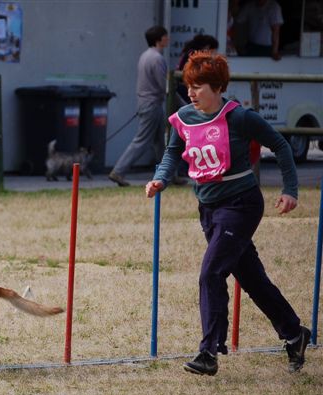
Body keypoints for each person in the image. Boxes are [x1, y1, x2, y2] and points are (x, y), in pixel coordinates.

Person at [145, 52, 310, 376]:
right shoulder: (184, 118)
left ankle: (209, 351)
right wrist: (160, 179)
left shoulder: (239, 117)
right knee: (251, 279)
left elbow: (280, 145)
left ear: (218, 87)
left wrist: (290, 189)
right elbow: (173, 152)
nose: (191, 93)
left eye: (199, 86)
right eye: (189, 86)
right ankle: (294, 333)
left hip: (241, 205)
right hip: (208, 207)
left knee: (211, 272)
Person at [109, 26, 185, 187]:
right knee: (142, 140)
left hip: (147, 103)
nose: (168, 38)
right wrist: (182, 103)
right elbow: (164, 85)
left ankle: (169, 174)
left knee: (161, 144)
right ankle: (118, 171)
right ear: (159, 39)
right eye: (165, 36)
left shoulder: (145, 56)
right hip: (152, 105)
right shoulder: (157, 59)